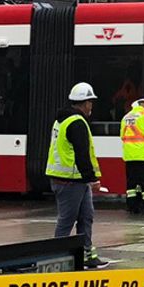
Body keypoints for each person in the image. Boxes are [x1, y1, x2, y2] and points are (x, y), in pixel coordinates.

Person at [48, 82, 106, 266]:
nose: (92, 106)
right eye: (90, 102)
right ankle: (56, 258)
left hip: (74, 180)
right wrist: (93, 179)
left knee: (86, 216)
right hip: (70, 181)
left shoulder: (62, 120)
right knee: (67, 221)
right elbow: (82, 154)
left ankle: (87, 255)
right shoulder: (77, 123)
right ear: (84, 103)